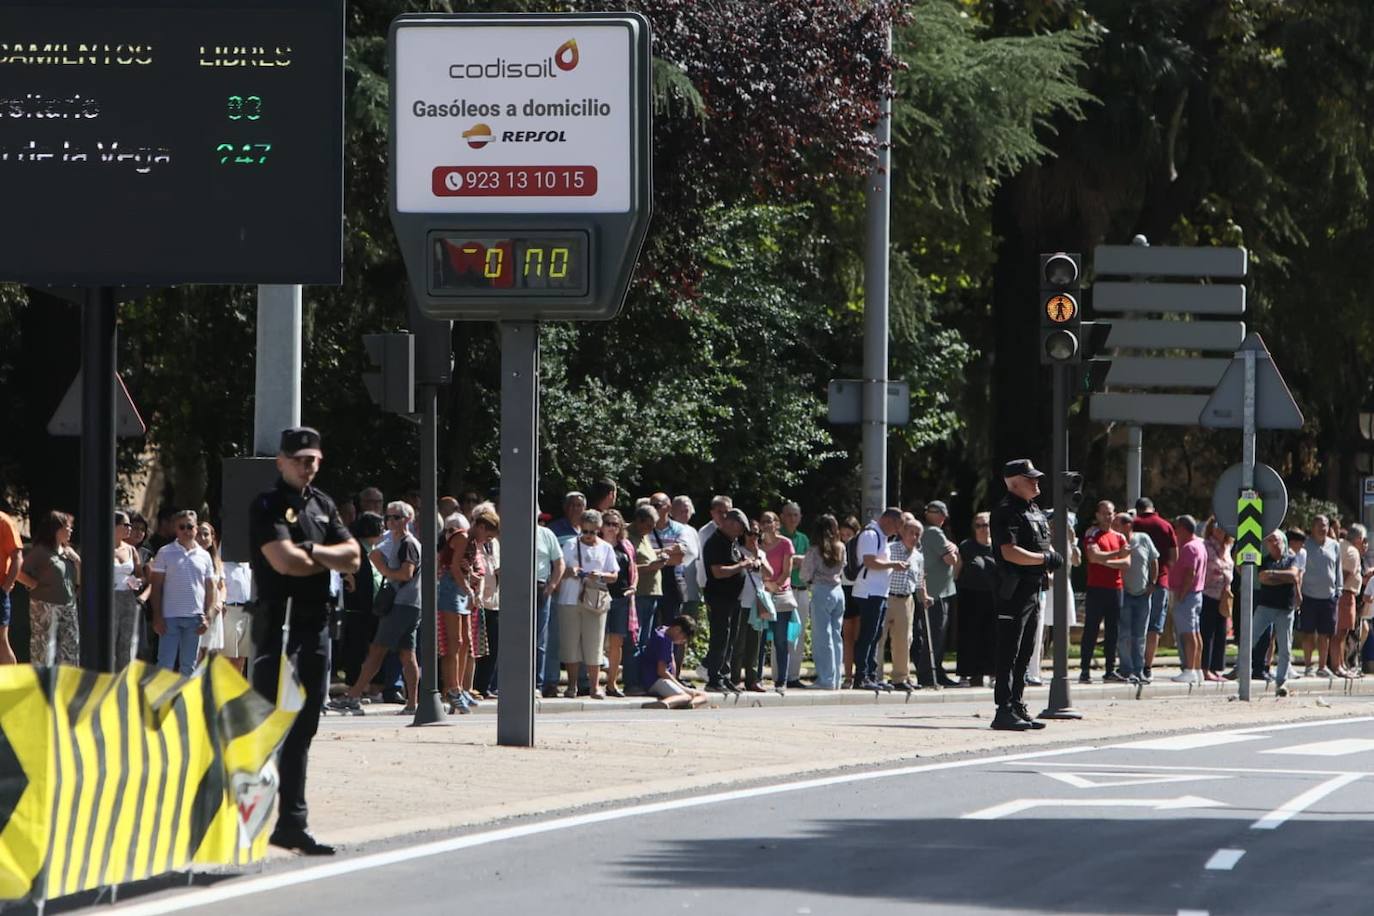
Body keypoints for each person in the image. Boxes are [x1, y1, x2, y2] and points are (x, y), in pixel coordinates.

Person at [248, 426, 361, 855]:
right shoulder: (267, 504)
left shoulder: (323, 504)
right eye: (298, 459)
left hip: (315, 625)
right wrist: (321, 556)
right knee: (265, 724)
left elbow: (353, 557)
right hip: (278, 624)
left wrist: (310, 552)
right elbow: (284, 562)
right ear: (281, 462)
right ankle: (243, 821)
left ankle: (292, 823)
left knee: (304, 726)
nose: (306, 465)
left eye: (312, 459)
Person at [329, 502, 423, 715]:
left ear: (408, 519)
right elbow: (374, 555)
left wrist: (384, 569)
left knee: (377, 650)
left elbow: (406, 573)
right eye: (388, 517)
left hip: (401, 604)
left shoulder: (407, 543)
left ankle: (353, 696)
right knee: (407, 655)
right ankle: (412, 704)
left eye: (396, 517)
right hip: (411, 605)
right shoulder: (398, 542)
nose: (390, 522)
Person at [989, 459, 1058, 732]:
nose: (1036, 482)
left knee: (1026, 650)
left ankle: (1017, 704)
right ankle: (1003, 709)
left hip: (1033, 587)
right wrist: (1045, 559)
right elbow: (1009, 551)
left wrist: (1045, 563)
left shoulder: (1033, 509)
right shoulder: (1006, 511)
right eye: (1030, 478)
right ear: (1014, 482)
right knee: (1009, 649)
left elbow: (1039, 541)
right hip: (1013, 589)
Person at [556, 508, 617, 698]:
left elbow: (614, 575)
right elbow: (558, 571)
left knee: (595, 644)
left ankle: (594, 686)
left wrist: (600, 575)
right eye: (585, 531)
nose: (589, 536)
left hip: (595, 601)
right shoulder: (569, 545)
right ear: (580, 528)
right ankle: (571, 686)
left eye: (593, 532)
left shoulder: (606, 548)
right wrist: (570, 572)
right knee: (571, 643)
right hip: (569, 599)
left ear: (599, 529)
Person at [149, 510, 214, 676]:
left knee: (189, 666)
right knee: (165, 665)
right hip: (169, 617)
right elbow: (156, 586)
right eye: (182, 527)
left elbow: (210, 588)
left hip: (195, 618)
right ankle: (162, 701)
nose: (186, 530)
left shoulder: (205, 556)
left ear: (196, 528)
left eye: (190, 526)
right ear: (175, 529)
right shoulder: (164, 552)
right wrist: (157, 616)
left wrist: (208, 616)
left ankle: (183, 701)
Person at [852, 508, 907, 691]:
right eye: (898, 524)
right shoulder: (870, 534)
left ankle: (871, 675)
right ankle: (861, 676)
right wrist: (893, 565)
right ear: (888, 520)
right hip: (868, 592)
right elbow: (869, 562)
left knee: (875, 636)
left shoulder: (883, 537)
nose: (898, 530)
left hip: (880, 592)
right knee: (867, 635)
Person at [702, 508, 752, 693]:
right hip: (719, 597)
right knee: (720, 638)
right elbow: (718, 571)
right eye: (739, 528)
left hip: (732, 598)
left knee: (731, 638)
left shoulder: (731, 543)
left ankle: (724, 675)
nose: (740, 533)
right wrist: (742, 565)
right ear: (730, 523)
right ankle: (714, 678)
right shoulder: (716, 543)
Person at [22, 510, 81, 666]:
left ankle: (66, 688)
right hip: (44, 606)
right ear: (57, 529)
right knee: (43, 651)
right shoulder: (41, 551)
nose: (71, 530)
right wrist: (33, 584)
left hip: (69, 605)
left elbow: (79, 582)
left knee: (70, 650)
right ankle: (42, 687)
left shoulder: (68, 552)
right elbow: (18, 572)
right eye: (68, 527)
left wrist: (78, 562)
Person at [1080, 500, 1129, 684]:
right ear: (1098, 515)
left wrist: (1105, 560)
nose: (1108, 517)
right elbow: (1092, 556)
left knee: (1113, 631)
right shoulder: (1092, 533)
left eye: (1110, 513)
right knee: (1091, 630)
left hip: (1116, 588)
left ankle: (1109, 670)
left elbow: (1127, 563)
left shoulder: (1120, 536)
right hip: (1096, 588)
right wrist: (1116, 554)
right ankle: (1084, 670)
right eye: (1104, 513)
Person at [1132, 497, 1178, 681]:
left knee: (1134, 625)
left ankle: (1133, 664)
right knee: (1154, 627)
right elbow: (1174, 556)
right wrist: (1164, 571)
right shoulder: (1166, 526)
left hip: (1135, 584)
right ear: (1153, 508)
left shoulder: (1133, 523)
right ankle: (1147, 666)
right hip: (1161, 582)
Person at [802, 515, 847, 690]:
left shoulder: (814, 550)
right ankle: (835, 679)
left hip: (821, 591)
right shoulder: (841, 547)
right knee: (836, 636)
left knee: (822, 637)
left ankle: (825, 678)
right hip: (838, 590)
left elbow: (805, 574)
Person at [1113, 513, 1159, 683]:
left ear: (1128, 525)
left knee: (1140, 635)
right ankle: (1126, 670)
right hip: (1124, 593)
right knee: (1124, 634)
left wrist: (1153, 582)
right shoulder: (1115, 541)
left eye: (1117, 524)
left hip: (1142, 594)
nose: (1113, 527)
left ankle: (1139, 670)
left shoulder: (1143, 539)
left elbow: (1154, 560)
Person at [1253, 529, 1300, 697]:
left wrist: (1273, 575)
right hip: (1265, 606)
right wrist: (1282, 578)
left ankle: (1281, 682)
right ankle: (1241, 670)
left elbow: (1293, 575)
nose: (1274, 544)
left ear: (1283, 542)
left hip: (1285, 609)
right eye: (1270, 541)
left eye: (1277, 540)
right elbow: (1262, 578)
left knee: (1285, 647)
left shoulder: (1291, 559)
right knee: (1250, 639)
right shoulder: (1264, 560)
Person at [881, 516, 924, 691]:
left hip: (906, 600)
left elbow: (920, 579)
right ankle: (876, 675)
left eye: (917, 534)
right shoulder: (889, 549)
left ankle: (900, 677)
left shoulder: (918, 556)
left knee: (904, 640)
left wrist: (924, 596)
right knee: (879, 638)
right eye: (911, 532)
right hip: (886, 597)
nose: (914, 537)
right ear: (902, 532)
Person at [920, 501, 960, 687]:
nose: (943, 518)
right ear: (929, 514)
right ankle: (931, 673)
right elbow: (951, 558)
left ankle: (934, 671)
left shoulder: (925, 531)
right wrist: (953, 548)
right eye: (939, 513)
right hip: (937, 593)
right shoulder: (934, 532)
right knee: (936, 635)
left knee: (933, 635)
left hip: (935, 591)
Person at [437, 513, 474, 712]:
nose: (452, 535)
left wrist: (472, 576)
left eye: (456, 531)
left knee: (466, 641)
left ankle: (459, 688)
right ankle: (452, 689)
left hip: (462, 594)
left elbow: (478, 570)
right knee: (453, 642)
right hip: (449, 595)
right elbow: (446, 570)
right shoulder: (442, 554)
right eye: (448, 531)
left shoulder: (468, 548)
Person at [627, 505, 666, 693]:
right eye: (649, 525)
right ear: (639, 521)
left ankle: (643, 681)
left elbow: (647, 558)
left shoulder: (644, 537)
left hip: (652, 594)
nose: (652, 530)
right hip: (640, 594)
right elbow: (630, 567)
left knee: (645, 641)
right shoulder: (628, 536)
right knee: (635, 640)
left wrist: (661, 556)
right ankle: (632, 682)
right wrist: (652, 567)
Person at [956, 512, 996, 687]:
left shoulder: (1000, 546)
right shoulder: (966, 547)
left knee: (993, 635)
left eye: (986, 525)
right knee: (969, 635)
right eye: (978, 525)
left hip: (994, 596)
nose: (983, 529)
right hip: (969, 595)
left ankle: (994, 673)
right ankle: (968, 674)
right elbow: (957, 571)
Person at [601, 509, 639, 697]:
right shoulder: (596, 544)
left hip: (622, 598)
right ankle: (590, 682)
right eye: (607, 523)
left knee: (617, 643)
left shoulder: (626, 546)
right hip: (599, 597)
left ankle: (611, 683)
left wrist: (633, 587)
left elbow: (634, 568)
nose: (611, 527)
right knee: (596, 642)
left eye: (615, 524)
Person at [1297, 515, 1340, 677]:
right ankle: (1309, 666)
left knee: (1325, 634)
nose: (1323, 529)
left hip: (1329, 597)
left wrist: (1338, 590)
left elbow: (1337, 569)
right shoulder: (1305, 545)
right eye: (1319, 525)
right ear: (1313, 527)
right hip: (1308, 596)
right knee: (1308, 633)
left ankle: (1322, 667)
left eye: (1325, 526)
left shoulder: (1334, 546)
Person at [757, 512, 794, 693]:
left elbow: (787, 570)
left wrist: (775, 585)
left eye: (769, 521)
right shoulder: (756, 544)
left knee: (780, 639)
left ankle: (782, 680)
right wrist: (766, 586)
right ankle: (757, 679)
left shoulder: (786, 543)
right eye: (763, 522)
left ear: (776, 523)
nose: (766, 525)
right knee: (759, 638)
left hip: (780, 595)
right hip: (762, 594)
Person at [1168, 515, 1207, 685]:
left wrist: (1181, 595)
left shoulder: (1189, 548)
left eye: (1176, 528)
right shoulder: (1200, 544)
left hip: (1188, 595)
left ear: (1183, 529)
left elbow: (1189, 573)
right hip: (1196, 595)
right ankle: (1197, 669)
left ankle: (1190, 669)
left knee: (1188, 634)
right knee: (1195, 633)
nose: (1175, 532)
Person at [639, 616, 709, 709]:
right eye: (684, 637)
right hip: (655, 680)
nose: (683, 641)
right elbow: (661, 671)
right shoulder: (663, 639)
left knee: (704, 696)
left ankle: (689, 704)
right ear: (677, 629)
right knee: (686, 696)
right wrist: (682, 687)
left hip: (662, 679)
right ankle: (665, 703)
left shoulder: (665, 632)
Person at [778, 501, 811, 688]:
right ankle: (779, 674)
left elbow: (810, 561)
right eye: (789, 515)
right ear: (782, 517)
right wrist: (794, 560)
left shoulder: (803, 539)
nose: (792, 518)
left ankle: (793, 676)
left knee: (797, 634)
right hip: (783, 591)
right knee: (781, 634)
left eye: (795, 515)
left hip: (801, 589)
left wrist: (797, 560)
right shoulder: (779, 538)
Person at [1200, 518, 1235, 682]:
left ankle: (1215, 668)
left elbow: (1229, 566)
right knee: (1207, 633)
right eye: (1217, 527)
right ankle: (1204, 668)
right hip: (1208, 593)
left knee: (1221, 633)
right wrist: (1224, 573)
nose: (1220, 530)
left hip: (1223, 596)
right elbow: (1214, 566)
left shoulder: (1228, 546)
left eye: (1223, 527)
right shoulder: (1206, 545)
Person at [534, 511, 565, 698]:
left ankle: (537, 683)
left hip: (540, 587)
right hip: (516, 588)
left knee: (540, 639)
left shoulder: (547, 534)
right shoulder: (509, 531)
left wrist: (552, 585)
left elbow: (559, 563)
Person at [112, 510, 145, 668]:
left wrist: (136, 581)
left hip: (128, 598)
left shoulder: (131, 549)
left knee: (126, 642)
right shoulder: (101, 546)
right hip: (109, 598)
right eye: (126, 525)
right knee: (109, 641)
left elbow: (142, 575)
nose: (130, 528)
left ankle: (123, 681)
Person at [195, 520, 228, 665]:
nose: (202, 538)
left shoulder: (217, 561)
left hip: (214, 612)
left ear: (212, 537)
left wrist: (221, 602)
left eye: (206, 534)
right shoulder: (192, 557)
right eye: (199, 534)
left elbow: (222, 586)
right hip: (197, 610)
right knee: (196, 653)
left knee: (211, 654)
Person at [1334, 524, 1364, 677]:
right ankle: (1339, 665)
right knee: (1342, 632)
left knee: (1339, 633)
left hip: (1339, 593)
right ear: (1358, 539)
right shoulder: (1352, 551)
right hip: (1345, 594)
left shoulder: (1339, 544)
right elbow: (1345, 574)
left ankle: (1340, 664)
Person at [838, 515, 862, 688]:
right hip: (845, 590)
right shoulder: (838, 548)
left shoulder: (861, 547)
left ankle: (861, 673)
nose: (845, 538)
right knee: (847, 636)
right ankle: (848, 675)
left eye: (849, 534)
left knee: (859, 636)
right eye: (843, 535)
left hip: (859, 590)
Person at [0, 504, 23, 665]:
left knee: (1, 642)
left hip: (0, 590)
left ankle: (11, 686)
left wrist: (5, 588)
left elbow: (17, 558)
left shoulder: (4, 522)